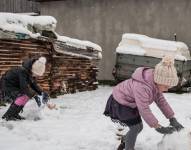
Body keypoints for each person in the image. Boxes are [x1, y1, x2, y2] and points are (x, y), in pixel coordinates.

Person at [104, 56, 184, 150]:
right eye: (166, 86)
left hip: (130, 103)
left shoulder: (155, 85)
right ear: (159, 81)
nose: (167, 89)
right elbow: (144, 108)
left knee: (139, 127)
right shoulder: (142, 87)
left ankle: (125, 139)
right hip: (120, 102)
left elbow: (162, 102)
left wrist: (172, 118)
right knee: (135, 127)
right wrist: (158, 126)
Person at [1, 56, 49, 121]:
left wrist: (42, 93)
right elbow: (24, 87)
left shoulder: (30, 73)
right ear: (33, 69)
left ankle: (15, 114)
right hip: (6, 86)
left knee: (26, 96)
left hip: (15, 87)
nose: (36, 76)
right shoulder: (22, 72)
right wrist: (34, 95)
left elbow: (33, 84)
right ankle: (8, 115)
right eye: (36, 74)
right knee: (23, 95)